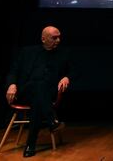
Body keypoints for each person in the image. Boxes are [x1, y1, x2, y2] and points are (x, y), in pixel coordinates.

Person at [5, 26, 72, 157]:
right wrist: (11, 84)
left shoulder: (63, 54)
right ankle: (51, 121)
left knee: (38, 98)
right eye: (54, 37)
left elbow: (75, 70)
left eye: (59, 37)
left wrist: (67, 77)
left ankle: (31, 144)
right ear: (43, 39)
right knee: (38, 88)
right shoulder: (27, 52)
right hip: (25, 92)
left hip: (48, 93)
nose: (58, 40)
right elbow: (13, 71)